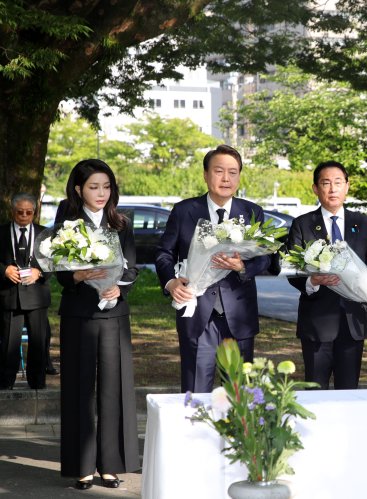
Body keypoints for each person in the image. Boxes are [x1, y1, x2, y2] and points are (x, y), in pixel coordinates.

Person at [155, 145, 272, 393]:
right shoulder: (184, 211)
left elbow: (266, 259)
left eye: (233, 172)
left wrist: (242, 266)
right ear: (206, 175)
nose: (226, 178)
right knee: (196, 393)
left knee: (239, 394)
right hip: (197, 313)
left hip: (238, 315)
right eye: (219, 171)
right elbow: (164, 254)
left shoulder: (252, 212)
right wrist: (171, 282)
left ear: (239, 176)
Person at [55, 159, 139, 490]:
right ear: (78, 189)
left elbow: (132, 268)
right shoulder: (67, 223)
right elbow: (59, 271)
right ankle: (82, 466)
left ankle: (110, 465)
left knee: (113, 388)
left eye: (106, 186)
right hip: (79, 315)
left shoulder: (122, 223)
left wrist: (122, 287)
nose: (101, 193)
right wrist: (76, 275)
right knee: (79, 389)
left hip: (114, 315)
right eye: (93, 187)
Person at [287, 160, 367, 390]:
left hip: (353, 321)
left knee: (349, 391)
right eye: (326, 183)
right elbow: (292, 271)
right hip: (317, 323)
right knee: (315, 391)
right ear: (315, 188)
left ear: (347, 186)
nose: (332, 189)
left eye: (338, 182)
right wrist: (312, 281)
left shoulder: (362, 223)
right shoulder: (303, 224)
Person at [0, 193, 51, 389]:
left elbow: (53, 262)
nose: (24, 216)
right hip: (9, 295)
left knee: (38, 342)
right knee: (8, 344)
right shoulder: (2, 232)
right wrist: (4, 270)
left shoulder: (44, 234)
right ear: (12, 212)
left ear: (34, 212)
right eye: (20, 212)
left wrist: (39, 271)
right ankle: (5, 385)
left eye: (28, 212)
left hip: (36, 295)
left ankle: (37, 384)